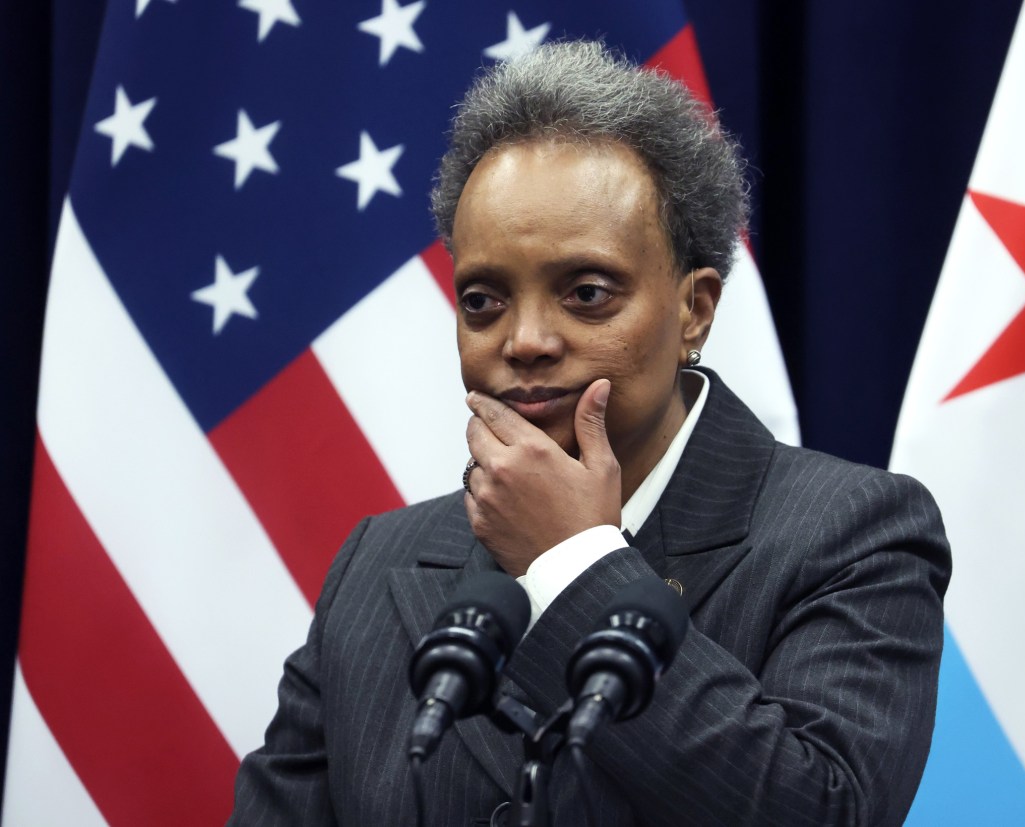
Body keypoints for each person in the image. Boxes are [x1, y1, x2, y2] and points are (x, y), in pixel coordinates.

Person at [229, 40, 950, 827]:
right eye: (482, 301)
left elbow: (821, 810)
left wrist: (572, 563)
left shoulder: (852, 534)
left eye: (586, 292)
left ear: (694, 310)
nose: (525, 339)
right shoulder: (378, 563)